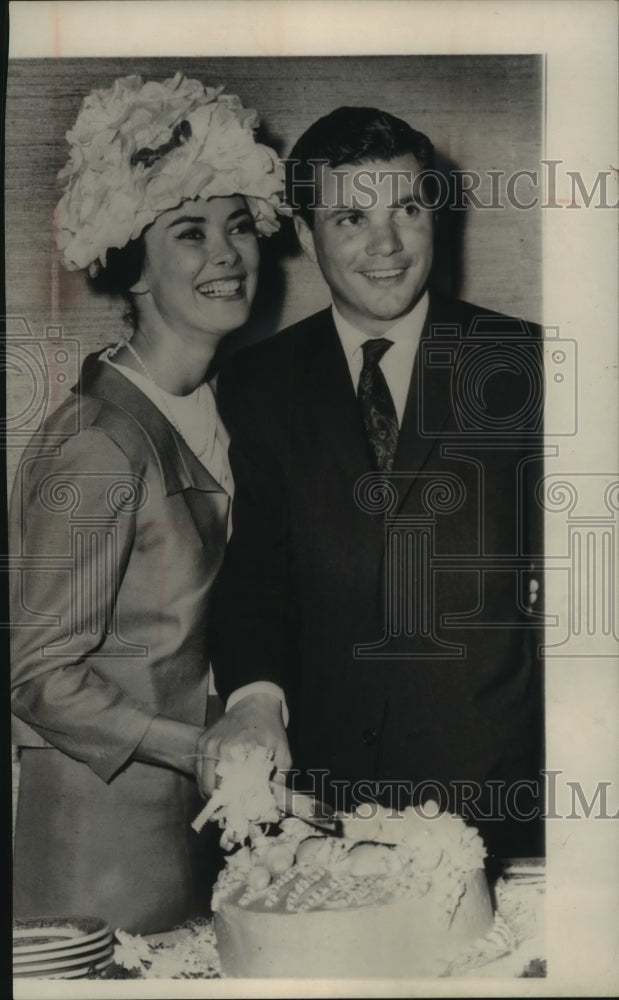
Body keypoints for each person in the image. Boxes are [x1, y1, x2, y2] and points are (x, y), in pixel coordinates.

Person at [207, 106, 544, 858]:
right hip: (323, 809)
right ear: (305, 235)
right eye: (349, 217)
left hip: (501, 799)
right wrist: (254, 698)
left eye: (408, 209)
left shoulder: (527, 364)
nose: (385, 244)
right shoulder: (258, 383)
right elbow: (257, 570)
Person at [9, 71, 284, 933]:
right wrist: (200, 748)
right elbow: (38, 674)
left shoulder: (222, 408)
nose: (228, 255)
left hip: (190, 818)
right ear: (133, 267)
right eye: (191, 234)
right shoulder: (96, 441)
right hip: (99, 834)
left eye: (239, 226)